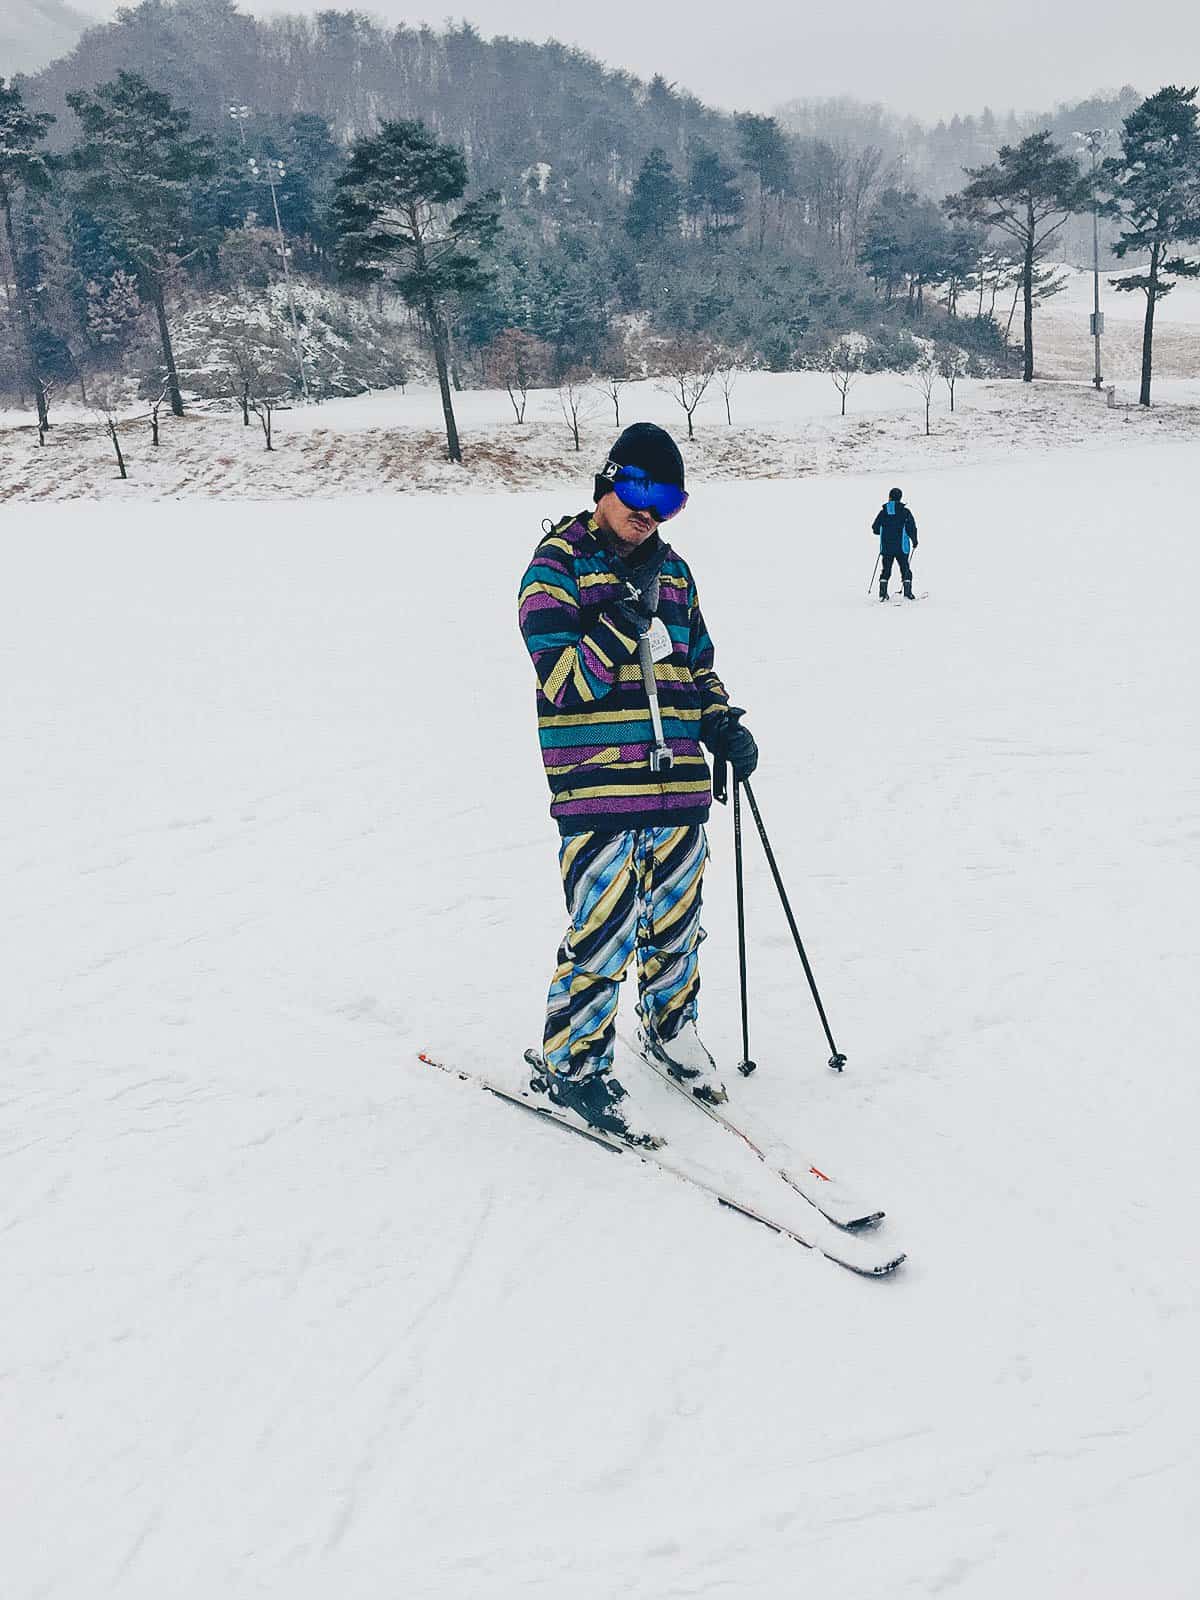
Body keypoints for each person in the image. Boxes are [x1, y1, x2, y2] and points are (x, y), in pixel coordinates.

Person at [517, 423, 758, 1144]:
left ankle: (671, 1027)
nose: (648, 511)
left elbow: (697, 662)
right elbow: (563, 684)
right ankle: (573, 1064)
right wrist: (620, 623)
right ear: (609, 481)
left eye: (668, 500)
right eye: (639, 491)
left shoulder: (675, 572)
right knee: (603, 933)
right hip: (598, 789)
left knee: (677, 927)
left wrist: (718, 722)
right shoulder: (556, 565)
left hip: (680, 784)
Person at [872, 486, 918, 600]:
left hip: (886, 547)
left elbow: (875, 528)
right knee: (905, 568)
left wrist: (884, 532)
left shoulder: (883, 512)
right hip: (902, 547)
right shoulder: (905, 512)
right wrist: (915, 541)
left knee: (886, 569)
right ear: (900, 498)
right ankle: (907, 593)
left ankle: (882, 594)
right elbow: (911, 528)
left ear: (890, 497)